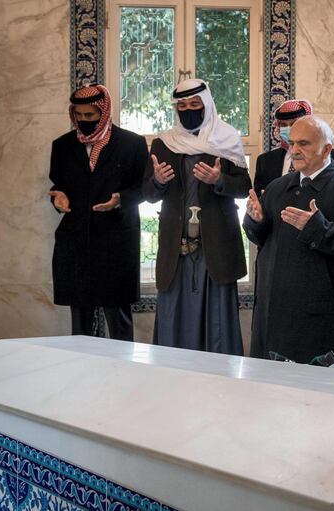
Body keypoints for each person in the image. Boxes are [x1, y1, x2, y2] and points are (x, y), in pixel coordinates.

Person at [244, 116, 334, 369]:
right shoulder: (276, 188)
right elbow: (257, 237)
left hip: (322, 318)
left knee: (323, 400)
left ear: (327, 149)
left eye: (303, 143)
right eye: (291, 143)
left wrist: (317, 228)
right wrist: (256, 221)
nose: (294, 150)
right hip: (274, 314)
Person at [142, 79, 251, 356]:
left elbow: (244, 187)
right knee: (174, 319)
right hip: (176, 250)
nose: (188, 109)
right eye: (182, 105)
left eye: (194, 104)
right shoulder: (164, 145)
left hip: (215, 247)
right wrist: (157, 181)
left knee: (217, 325)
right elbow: (149, 194)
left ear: (206, 104)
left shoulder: (225, 140)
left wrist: (220, 179)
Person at [48, 83, 148, 341]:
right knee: (80, 326)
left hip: (115, 244)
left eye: (90, 116)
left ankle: (123, 375)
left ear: (103, 112)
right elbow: (58, 185)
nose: (83, 121)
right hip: (76, 244)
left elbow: (143, 188)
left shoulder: (132, 144)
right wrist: (58, 197)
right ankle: (82, 377)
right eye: (78, 116)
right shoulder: (62, 146)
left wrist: (119, 199)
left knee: (119, 324)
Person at [253, 99, 334, 194]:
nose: (289, 129)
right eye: (283, 125)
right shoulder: (265, 161)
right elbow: (258, 197)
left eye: (294, 123)